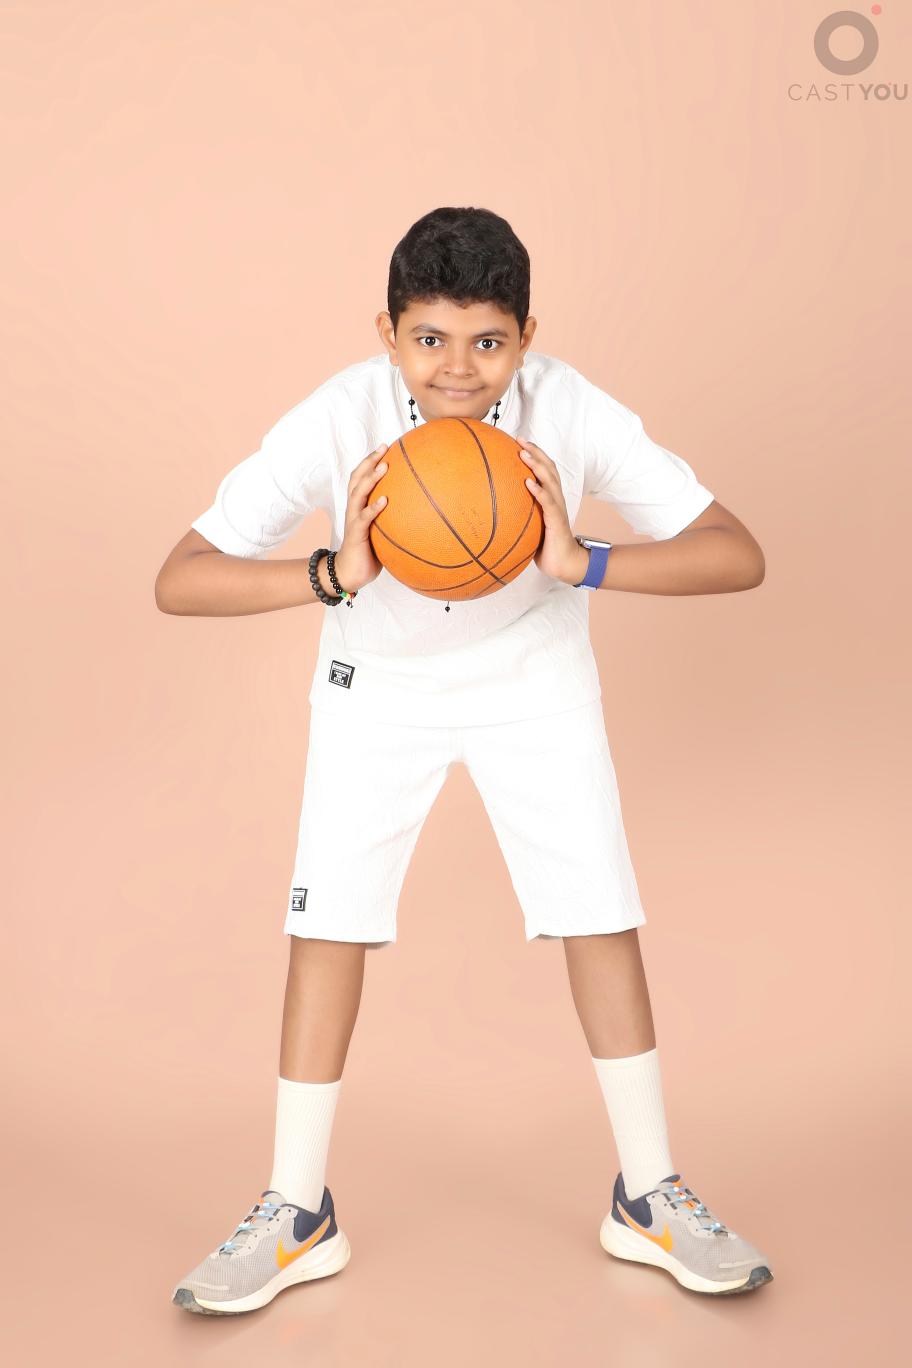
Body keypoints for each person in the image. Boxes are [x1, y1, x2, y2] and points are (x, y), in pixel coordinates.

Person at [156, 206, 773, 1314]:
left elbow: (739, 554)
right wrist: (332, 575)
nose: (458, 368)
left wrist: (581, 562)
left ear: (527, 335)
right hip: (377, 689)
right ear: (387, 334)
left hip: (534, 677)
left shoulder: (568, 407)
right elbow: (180, 578)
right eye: (430, 339)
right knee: (329, 923)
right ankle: (296, 1211)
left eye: (488, 341)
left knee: (599, 911)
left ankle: (649, 1194)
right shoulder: (340, 414)